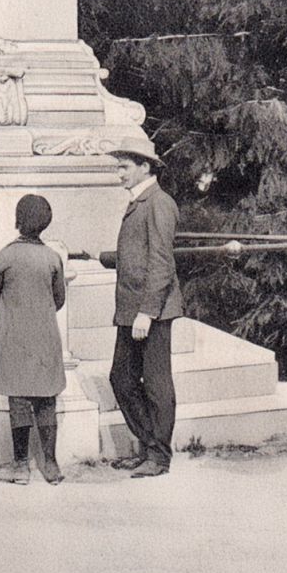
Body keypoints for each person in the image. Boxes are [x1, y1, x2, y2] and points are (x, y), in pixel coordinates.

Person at [100, 147, 184, 478]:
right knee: (121, 378)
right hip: (131, 310)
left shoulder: (159, 203)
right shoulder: (140, 202)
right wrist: (104, 257)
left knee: (157, 384)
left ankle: (159, 457)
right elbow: (137, 253)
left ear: (144, 167)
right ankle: (149, 445)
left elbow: (162, 263)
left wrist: (147, 313)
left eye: (123, 167)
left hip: (152, 312)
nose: (118, 173)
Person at [0, 193, 67, 485]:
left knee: (18, 400)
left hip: (13, 338)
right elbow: (59, 299)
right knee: (46, 401)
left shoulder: (4, 256)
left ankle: (20, 467)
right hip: (46, 337)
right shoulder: (52, 258)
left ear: (18, 220)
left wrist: (12, 318)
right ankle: (52, 465)